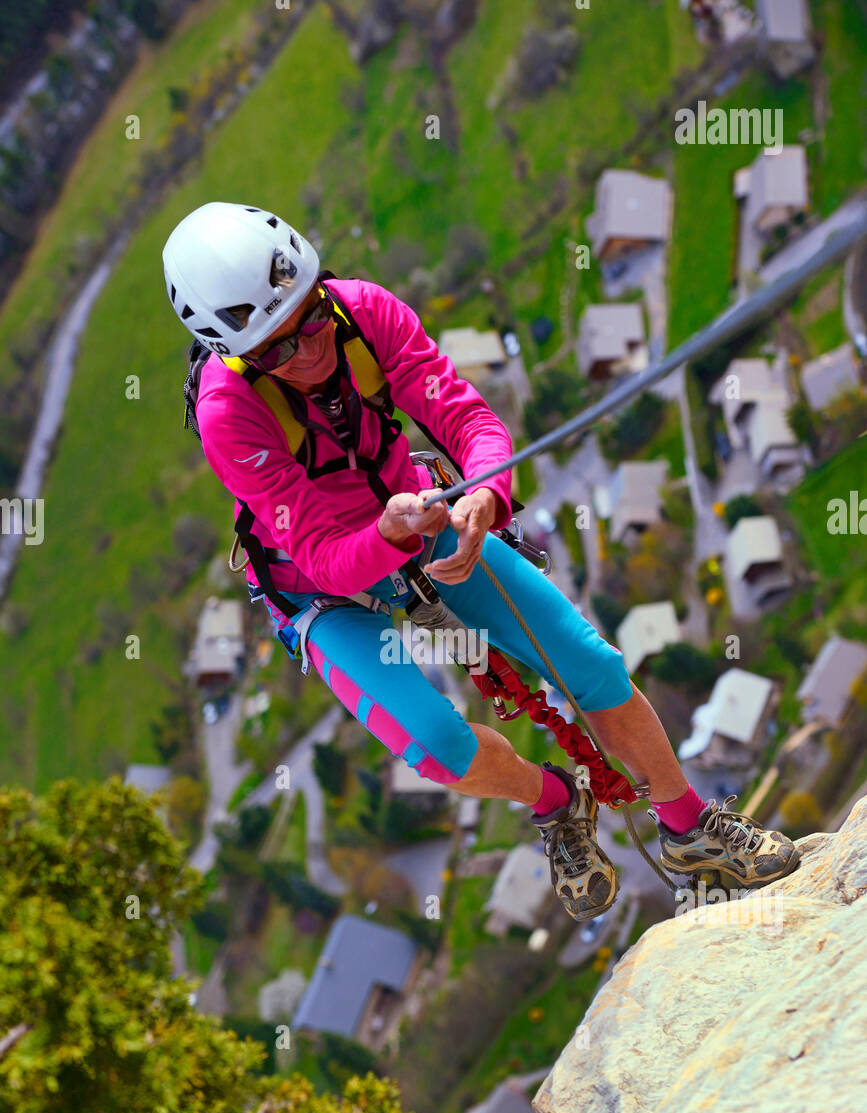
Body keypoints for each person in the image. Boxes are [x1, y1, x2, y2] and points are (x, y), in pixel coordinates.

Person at [162, 202, 800, 920]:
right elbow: (321, 554)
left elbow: (468, 421)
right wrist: (391, 532)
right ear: (236, 354)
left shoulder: (364, 313)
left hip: (423, 515)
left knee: (588, 664)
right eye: (276, 350)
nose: (307, 351)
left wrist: (485, 497)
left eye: (311, 320)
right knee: (437, 747)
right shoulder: (230, 415)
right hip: (323, 589)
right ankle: (559, 801)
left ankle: (689, 829)